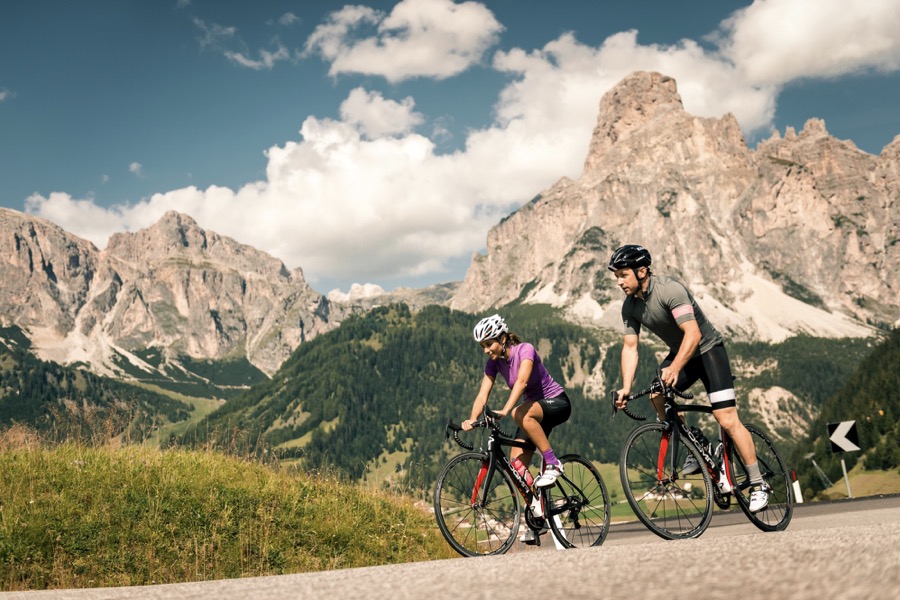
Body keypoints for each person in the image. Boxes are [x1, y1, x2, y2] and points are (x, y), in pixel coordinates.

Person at [608, 244, 770, 512]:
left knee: (726, 418)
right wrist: (625, 387)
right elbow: (630, 348)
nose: (620, 282)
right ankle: (694, 440)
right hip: (682, 353)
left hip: (708, 351)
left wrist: (674, 368)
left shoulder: (670, 290)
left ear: (642, 271)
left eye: (623, 275)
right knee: (656, 394)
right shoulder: (630, 306)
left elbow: (693, 334)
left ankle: (758, 483)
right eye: (617, 277)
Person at [462, 314, 572, 491]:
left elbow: (522, 382)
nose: (486, 350)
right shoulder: (493, 363)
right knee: (516, 469)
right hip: (532, 412)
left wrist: (505, 410)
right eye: (483, 346)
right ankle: (539, 510)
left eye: (489, 344)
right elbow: (482, 394)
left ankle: (553, 463)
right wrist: (472, 419)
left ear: (503, 338)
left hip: (557, 403)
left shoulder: (525, 350)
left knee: (519, 413)